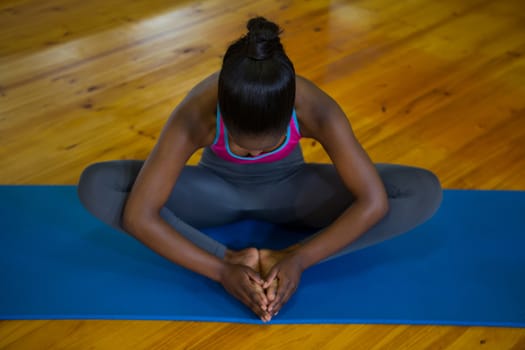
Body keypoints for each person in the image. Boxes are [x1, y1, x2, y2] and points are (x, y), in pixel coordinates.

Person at [77, 17, 442, 322]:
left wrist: (298, 258)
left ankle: (277, 254)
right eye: (242, 147)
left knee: (419, 190)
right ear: (224, 116)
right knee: (98, 184)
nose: (254, 154)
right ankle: (237, 255)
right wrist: (222, 268)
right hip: (214, 193)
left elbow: (374, 202)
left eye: (269, 146)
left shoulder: (316, 109)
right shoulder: (197, 113)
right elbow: (141, 216)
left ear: (290, 117)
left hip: (294, 192)